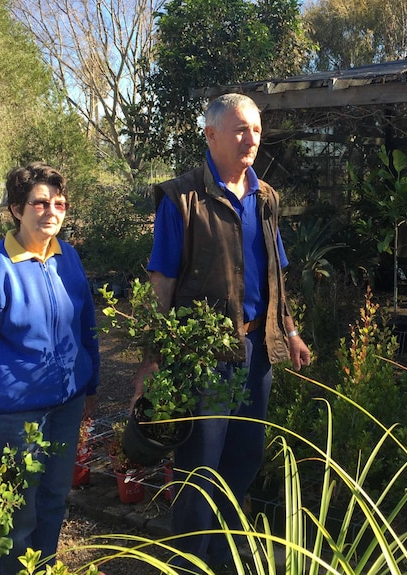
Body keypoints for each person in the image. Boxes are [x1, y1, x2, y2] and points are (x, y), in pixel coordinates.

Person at [132, 93, 311, 571]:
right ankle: (190, 562)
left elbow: (276, 274)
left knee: (244, 459)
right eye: (239, 129)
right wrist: (151, 361)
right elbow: (162, 284)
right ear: (210, 135)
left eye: (255, 129)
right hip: (205, 356)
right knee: (200, 467)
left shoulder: (265, 197)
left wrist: (289, 331)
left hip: (257, 348)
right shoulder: (181, 199)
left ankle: (227, 557)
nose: (250, 138)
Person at [0, 162, 100, 574]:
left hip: (67, 408)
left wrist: (91, 385)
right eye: (40, 202)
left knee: (54, 502)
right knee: (18, 517)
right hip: (18, 417)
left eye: (59, 203)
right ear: (17, 209)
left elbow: (86, 324)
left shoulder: (67, 258)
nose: (51, 210)